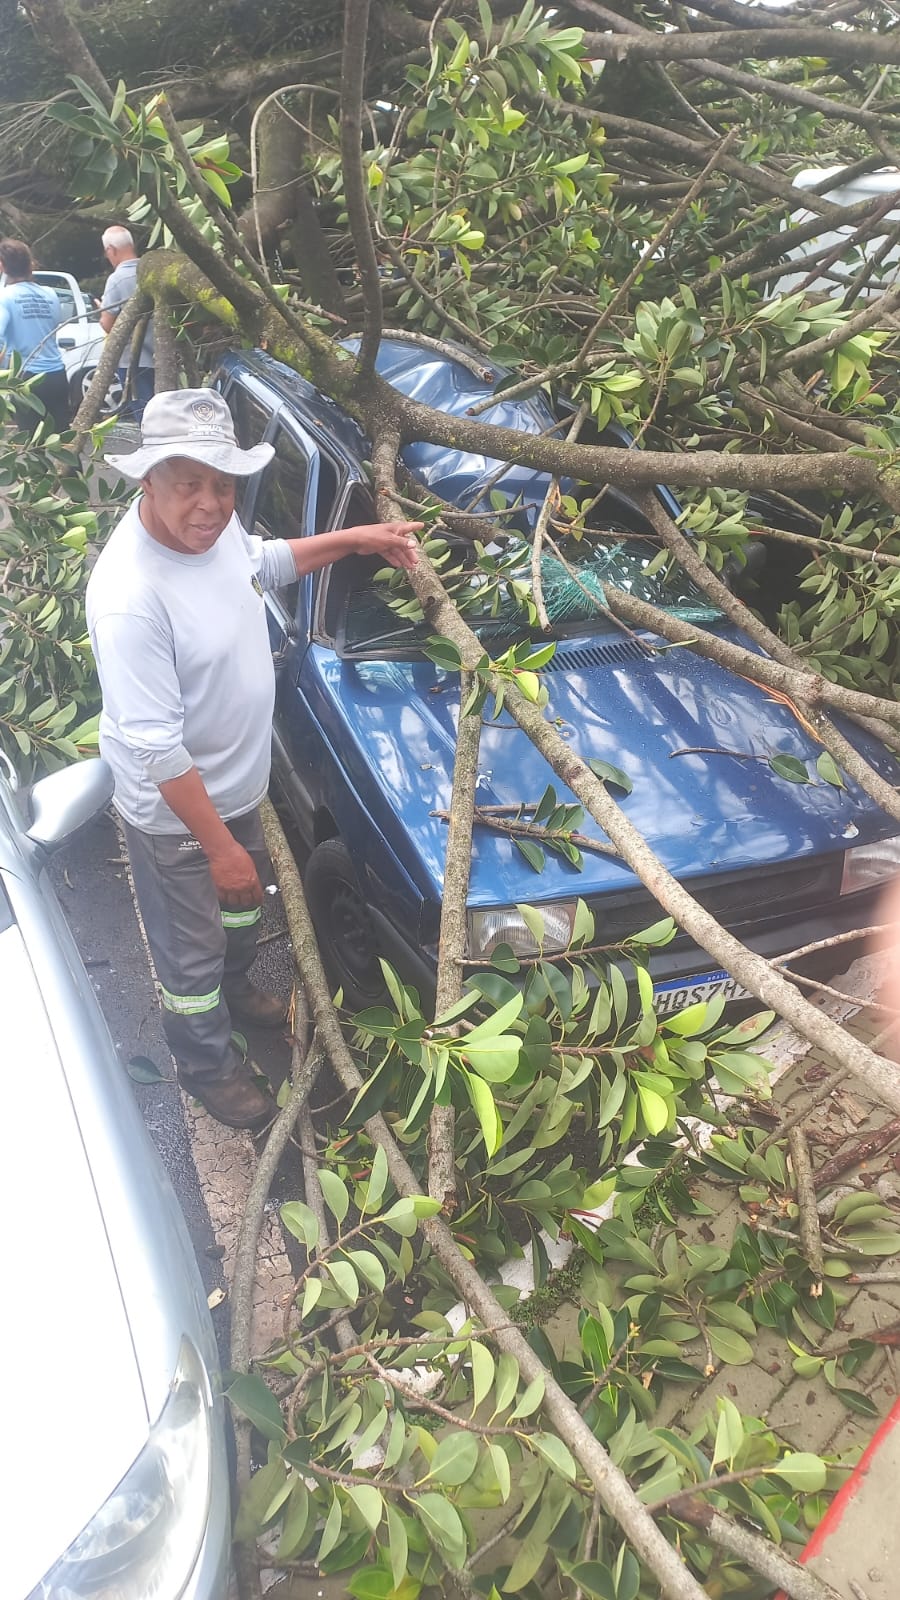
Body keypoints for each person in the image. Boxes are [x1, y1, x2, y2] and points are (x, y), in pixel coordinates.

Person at [86, 388, 421, 1130]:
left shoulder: (217, 531)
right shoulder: (130, 597)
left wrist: (358, 539)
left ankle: (239, 991)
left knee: (242, 913)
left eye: (223, 483)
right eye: (190, 483)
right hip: (180, 818)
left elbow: (264, 565)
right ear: (148, 480)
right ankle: (205, 1066)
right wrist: (216, 848)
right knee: (191, 959)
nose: (210, 503)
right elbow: (156, 747)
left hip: (236, 790)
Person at [0, 238, 70, 431]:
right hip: (57, 375)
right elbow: (54, 325)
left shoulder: (5, 297)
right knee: (64, 441)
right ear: (30, 264)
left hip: (26, 380)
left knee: (32, 447)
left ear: (2, 266)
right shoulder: (50, 294)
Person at [99, 225, 155, 420]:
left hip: (133, 362)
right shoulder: (152, 272)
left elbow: (108, 325)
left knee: (144, 415)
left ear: (110, 250)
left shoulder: (117, 279)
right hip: (162, 357)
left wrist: (102, 309)